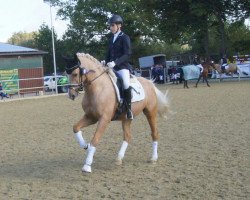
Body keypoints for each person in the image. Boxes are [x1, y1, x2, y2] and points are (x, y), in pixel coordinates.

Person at [104, 14, 133, 119]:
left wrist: (115, 63)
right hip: (111, 67)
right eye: (110, 26)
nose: (110, 28)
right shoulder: (111, 39)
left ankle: (129, 109)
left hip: (122, 67)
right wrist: (105, 62)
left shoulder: (125, 37)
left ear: (119, 25)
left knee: (125, 83)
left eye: (112, 25)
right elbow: (108, 54)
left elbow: (127, 54)